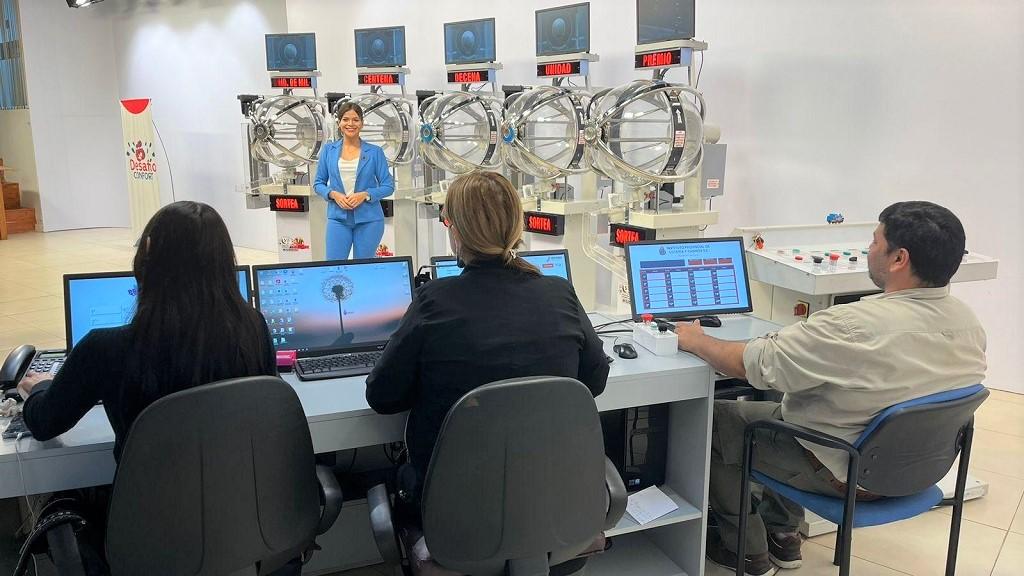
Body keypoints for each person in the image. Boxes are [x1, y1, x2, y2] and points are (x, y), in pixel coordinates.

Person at [674, 201, 987, 575]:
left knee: (712, 422)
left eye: (874, 242)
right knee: (781, 403)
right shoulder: (969, 323)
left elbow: (749, 365)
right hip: (921, 470)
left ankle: (745, 549)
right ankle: (784, 536)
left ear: (899, 258)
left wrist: (695, 340)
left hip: (847, 474)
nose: (869, 250)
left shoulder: (850, 325)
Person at [365, 171, 610, 522]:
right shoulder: (558, 291)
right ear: (516, 226)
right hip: (549, 503)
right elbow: (594, 381)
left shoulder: (434, 300)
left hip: (456, 512)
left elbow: (382, 396)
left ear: (456, 231)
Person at [313, 102, 395, 260]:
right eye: (345, 119)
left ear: (362, 124)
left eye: (355, 120)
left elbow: (388, 186)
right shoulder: (328, 151)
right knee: (333, 267)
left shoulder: (375, 152)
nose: (350, 124)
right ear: (339, 123)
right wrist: (333, 194)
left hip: (369, 220)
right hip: (337, 218)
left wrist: (365, 195)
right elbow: (318, 184)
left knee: (362, 269)